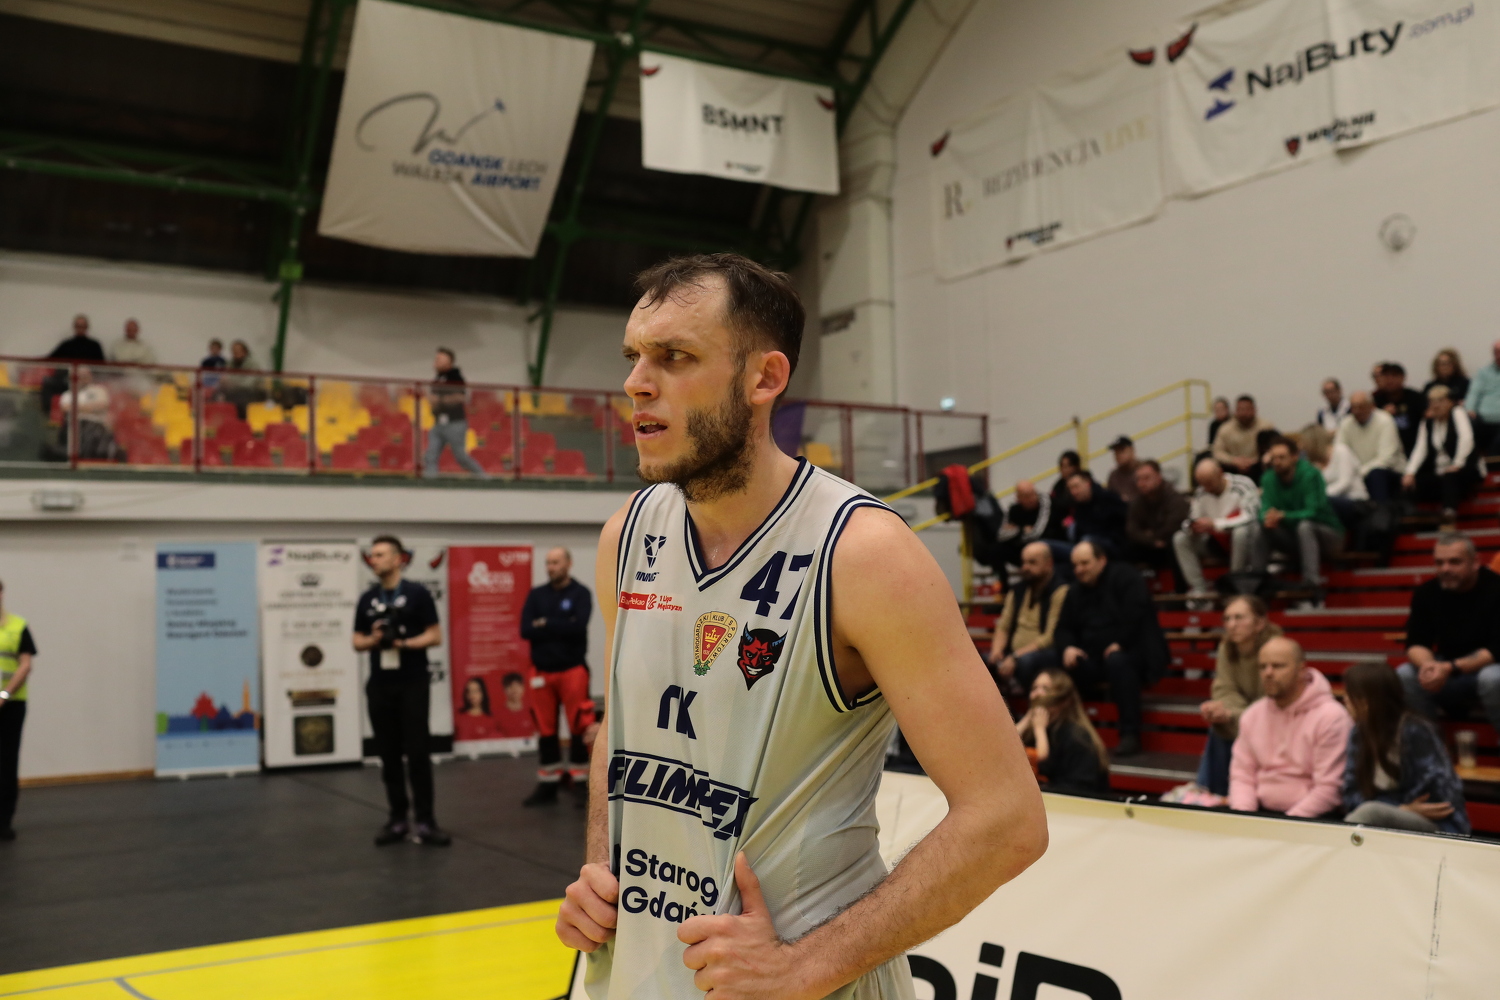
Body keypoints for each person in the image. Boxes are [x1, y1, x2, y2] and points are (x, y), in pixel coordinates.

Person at [557, 253, 1047, 997]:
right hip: (642, 972)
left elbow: (1007, 820)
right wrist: (600, 864)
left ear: (764, 378)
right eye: (634, 357)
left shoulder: (864, 552)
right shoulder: (625, 536)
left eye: (675, 356)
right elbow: (621, 732)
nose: (637, 383)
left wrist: (806, 965)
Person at [352, 535, 449, 847]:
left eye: (381, 554)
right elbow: (356, 641)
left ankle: (425, 820)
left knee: (418, 752)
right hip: (380, 685)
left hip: (412, 682)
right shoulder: (368, 599)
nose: (374, 559)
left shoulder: (418, 594)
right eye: (372, 555)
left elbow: (435, 636)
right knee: (388, 754)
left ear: (397, 559)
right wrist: (374, 639)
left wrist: (403, 643)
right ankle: (397, 819)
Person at [1051, 540, 1170, 757]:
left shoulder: (1126, 577)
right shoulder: (1074, 590)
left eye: (1085, 563)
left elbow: (1137, 615)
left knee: (1118, 662)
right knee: (1058, 661)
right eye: (1075, 565)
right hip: (1093, 656)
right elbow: (1062, 628)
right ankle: (1069, 737)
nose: (1079, 570)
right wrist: (1068, 647)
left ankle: (1130, 734)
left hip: (1133, 652)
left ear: (1102, 560)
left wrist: (1120, 643)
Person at [1228, 636, 1352, 818]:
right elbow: (1242, 776)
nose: (1268, 673)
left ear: (1301, 670)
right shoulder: (1252, 715)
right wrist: (1244, 818)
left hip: (1312, 819)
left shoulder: (1331, 717)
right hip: (1260, 814)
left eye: (1278, 666)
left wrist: (1286, 825)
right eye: (1262, 667)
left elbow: (1329, 789)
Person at [1341, 662, 1469, 835]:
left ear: (1367, 701)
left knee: (1371, 812)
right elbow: (1350, 795)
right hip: (1391, 819)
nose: (1345, 700)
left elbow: (1438, 797)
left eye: (1349, 694)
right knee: (1370, 813)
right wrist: (1401, 808)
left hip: (1438, 826)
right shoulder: (1358, 734)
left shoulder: (1416, 731)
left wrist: (1393, 807)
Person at [1396, 533, 1500, 738]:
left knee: (1492, 678)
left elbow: (1497, 649)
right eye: (1439, 563)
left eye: (1455, 562)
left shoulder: (1496, 589)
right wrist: (1429, 666)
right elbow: (1416, 642)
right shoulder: (1427, 592)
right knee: (1405, 674)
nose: (1445, 569)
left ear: (1475, 562)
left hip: (1488, 666)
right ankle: (1430, 744)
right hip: (1446, 666)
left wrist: (1449, 668)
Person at [519, 546, 596, 806]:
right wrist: (561, 624)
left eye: (555, 562)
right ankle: (548, 783)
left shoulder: (580, 593)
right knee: (545, 729)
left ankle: (581, 782)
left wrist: (545, 623)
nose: (551, 567)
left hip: (573, 670)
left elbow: (578, 627)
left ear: (568, 564)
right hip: (541, 672)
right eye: (548, 563)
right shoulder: (536, 595)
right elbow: (525, 630)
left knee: (579, 726)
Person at [1195, 596, 1280, 796]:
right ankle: (1215, 796)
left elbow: (1273, 699)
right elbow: (1224, 689)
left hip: (1275, 721)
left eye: (1239, 618)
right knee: (1219, 725)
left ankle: (1210, 792)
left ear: (1260, 623)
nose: (1231, 625)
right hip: (1243, 716)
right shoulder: (1227, 647)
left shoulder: (1276, 649)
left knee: (1229, 726)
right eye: (1227, 618)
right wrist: (1225, 713)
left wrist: (1234, 715)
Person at [1255, 436, 1344, 603]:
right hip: (1294, 538)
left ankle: (1311, 584)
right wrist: (1267, 518)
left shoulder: (1310, 474)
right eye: (1274, 458)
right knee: (1260, 527)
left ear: (1295, 457)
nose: (1277, 462)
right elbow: (1264, 508)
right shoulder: (1268, 478)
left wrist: (1283, 516)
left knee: (1305, 526)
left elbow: (1313, 511)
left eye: (1282, 457)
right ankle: (1256, 582)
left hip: (1328, 536)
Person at [1174, 457, 1263, 604]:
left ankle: (1234, 584)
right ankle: (1199, 589)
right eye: (1202, 483)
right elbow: (1193, 517)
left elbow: (1251, 516)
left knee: (1241, 533)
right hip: (1215, 541)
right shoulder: (1202, 491)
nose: (1206, 488)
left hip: (1244, 542)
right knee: (1180, 538)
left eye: (1209, 483)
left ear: (1220, 473)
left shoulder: (1242, 485)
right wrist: (1193, 526)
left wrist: (1216, 524)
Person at [1014, 667, 1110, 794]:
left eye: (1045, 689)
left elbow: (1079, 788)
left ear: (1064, 701)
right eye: (1034, 688)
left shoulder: (1077, 737)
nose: (1037, 694)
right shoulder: (1031, 732)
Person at [988, 541, 1068, 692]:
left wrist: (1016, 656)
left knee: (1027, 662)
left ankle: (1028, 698)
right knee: (983, 661)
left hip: (1045, 654)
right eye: (1023, 562)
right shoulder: (1017, 590)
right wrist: (996, 651)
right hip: (1014, 653)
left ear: (1049, 563)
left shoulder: (1060, 590)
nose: (1025, 567)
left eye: (1032, 562)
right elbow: (1003, 626)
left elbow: (1050, 637)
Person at [1404, 386, 1481, 523]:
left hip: (1464, 470)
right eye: (1432, 401)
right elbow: (1420, 449)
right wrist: (1410, 472)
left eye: (1440, 401)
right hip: (1440, 473)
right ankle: (1411, 516)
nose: (1436, 405)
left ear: (1450, 402)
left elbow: (1466, 439)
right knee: (1414, 482)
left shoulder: (1457, 413)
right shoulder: (1427, 422)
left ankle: (1449, 513)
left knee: (1450, 477)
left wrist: (1458, 463)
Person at [0, 581, 37, 841]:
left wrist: (4, 694)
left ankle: (3, 822)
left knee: (6, 762)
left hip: (11, 705)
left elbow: (25, 665)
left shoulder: (18, 626)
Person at [1124, 459, 1190, 588]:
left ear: (1159, 478)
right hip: (1151, 545)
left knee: (1176, 543)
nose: (1141, 483)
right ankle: (1133, 590)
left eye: (1146, 478)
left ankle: (1181, 591)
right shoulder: (1138, 502)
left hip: (1168, 545)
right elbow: (1131, 530)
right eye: (1138, 479)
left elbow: (1173, 526)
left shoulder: (1174, 497)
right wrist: (1152, 540)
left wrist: (1151, 534)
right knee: (1126, 548)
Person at [424, 347, 487, 478]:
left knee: (461, 457)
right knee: (430, 455)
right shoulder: (437, 378)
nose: (435, 361)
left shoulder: (456, 376)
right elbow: (432, 399)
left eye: (439, 359)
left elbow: (460, 397)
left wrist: (440, 400)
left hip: (455, 423)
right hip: (438, 423)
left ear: (448, 361)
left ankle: (484, 478)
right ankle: (430, 481)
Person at [1301, 423, 1367, 545]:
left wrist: (1320, 496)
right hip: (1328, 502)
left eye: (1304, 442)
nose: (1302, 447)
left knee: (1318, 505)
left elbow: (1345, 482)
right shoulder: (1311, 462)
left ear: (1313, 442)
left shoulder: (1341, 451)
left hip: (1355, 502)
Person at [1338, 390, 1406, 503]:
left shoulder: (1385, 420)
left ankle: (1381, 511)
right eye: (1353, 407)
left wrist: (1360, 472)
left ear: (1371, 406)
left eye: (1361, 407)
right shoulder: (1346, 424)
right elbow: (1339, 452)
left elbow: (1386, 458)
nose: (1357, 411)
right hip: (1359, 473)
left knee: (1376, 474)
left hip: (1390, 472)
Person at [994, 479, 1068, 572]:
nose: (1031, 498)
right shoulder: (1014, 509)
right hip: (1025, 545)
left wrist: (1016, 534)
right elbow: (1001, 535)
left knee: (1039, 545)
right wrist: (1021, 530)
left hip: (1048, 544)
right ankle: (1002, 580)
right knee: (996, 548)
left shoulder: (1046, 502)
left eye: (1033, 493)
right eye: (1026, 496)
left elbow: (1037, 533)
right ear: (1018, 498)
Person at [57, 367, 121, 462]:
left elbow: (102, 405)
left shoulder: (99, 390)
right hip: (74, 426)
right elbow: (65, 408)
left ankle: (89, 459)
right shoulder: (67, 395)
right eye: (80, 376)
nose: (83, 379)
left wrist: (76, 407)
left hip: (96, 426)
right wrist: (90, 407)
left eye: (85, 376)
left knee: (95, 432)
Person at [1212, 395, 1276, 481]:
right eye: (1241, 409)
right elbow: (1217, 452)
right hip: (1232, 470)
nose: (1244, 413)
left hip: (1260, 469)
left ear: (1254, 410)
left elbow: (1275, 449)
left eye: (1247, 409)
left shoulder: (1266, 427)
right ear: (1235, 411)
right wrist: (1233, 461)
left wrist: (1255, 461)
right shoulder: (1225, 429)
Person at [1065, 472, 1127, 555]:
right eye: (1070, 489)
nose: (1073, 492)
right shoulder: (1078, 505)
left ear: (1087, 483)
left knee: (1086, 542)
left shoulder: (1108, 498)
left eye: (1076, 486)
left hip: (1113, 543)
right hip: (1084, 543)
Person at [1374, 362, 1427, 455]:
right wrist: (1382, 414)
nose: (1390, 380)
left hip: (1413, 449)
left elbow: (1428, 417)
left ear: (1403, 377)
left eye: (1394, 376)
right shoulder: (1374, 399)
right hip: (1382, 450)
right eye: (1386, 376)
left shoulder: (1416, 398)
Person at [1463, 339, 1500, 456]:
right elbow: (1474, 393)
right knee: (1465, 424)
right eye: (1496, 352)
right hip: (1482, 419)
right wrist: (1469, 409)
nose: (1498, 355)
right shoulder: (1483, 372)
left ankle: (1493, 462)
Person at [1105, 436, 1141, 503]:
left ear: (1132, 450)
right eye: (1116, 452)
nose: (1118, 455)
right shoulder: (1113, 476)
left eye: (1121, 450)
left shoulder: (1143, 471)